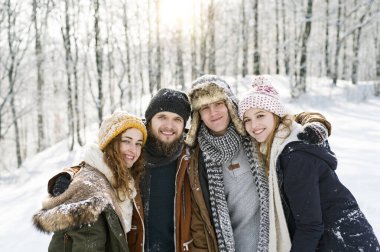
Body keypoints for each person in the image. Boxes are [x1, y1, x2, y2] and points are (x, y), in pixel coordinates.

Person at [185, 75, 331, 252]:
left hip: (277, 243)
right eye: (204, 108)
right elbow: (199, 222)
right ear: (197, 115)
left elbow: (285, 118)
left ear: (230, 104)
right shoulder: (196, 156)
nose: (213, 112)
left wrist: (316, 122)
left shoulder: (254, 132)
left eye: (218, 104)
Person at [238, 75, 380, 252]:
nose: (254, 125)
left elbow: (310, 226)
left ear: (276, 115)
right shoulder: (282, 141)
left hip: (344, 243)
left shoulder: (294, 157)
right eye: (247, 120)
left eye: (260, 115)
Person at [32, 111, 148, 251]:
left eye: (138, 144)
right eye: (126, 141)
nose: (133, 150)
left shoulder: (119, 181)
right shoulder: (91, 191)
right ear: (110, 142)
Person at [128, 88, 193, 252]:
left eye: (177, 119)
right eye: (162, 117)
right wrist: (69, 177)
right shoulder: (131, 150)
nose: (169, 126)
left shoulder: (191, 157)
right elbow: (97, 159)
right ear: (149, 120)